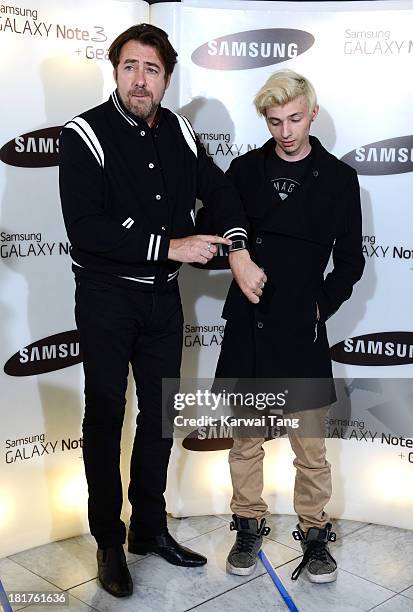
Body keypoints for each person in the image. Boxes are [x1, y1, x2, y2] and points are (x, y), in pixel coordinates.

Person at [59, 23, 264, 598]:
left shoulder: (177, 128)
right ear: (115, 70)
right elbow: (86, 230)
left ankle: (148, 528)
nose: (140, 79)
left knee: (158, 417)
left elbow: (220, 192)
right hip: (105, 298)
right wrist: (171, 245)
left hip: (162, 301)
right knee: (104, 415)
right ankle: (108, 538)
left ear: (167, 79)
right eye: (130, 66)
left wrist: (238, 246)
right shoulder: (83, 135)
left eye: (152, 69)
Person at [215, 69, 365, 583]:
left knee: (310, 448)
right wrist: (237, 255)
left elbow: (350, 261)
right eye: (275, 121)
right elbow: (220, 238)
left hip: (303, 328)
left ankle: (315, 533)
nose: (285, 131)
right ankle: (248, 524)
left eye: (295, 118)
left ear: (312, 112)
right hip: (249, 324)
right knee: (246, 442)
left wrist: (322, 305)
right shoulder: (244, 170)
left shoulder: (341, 180)